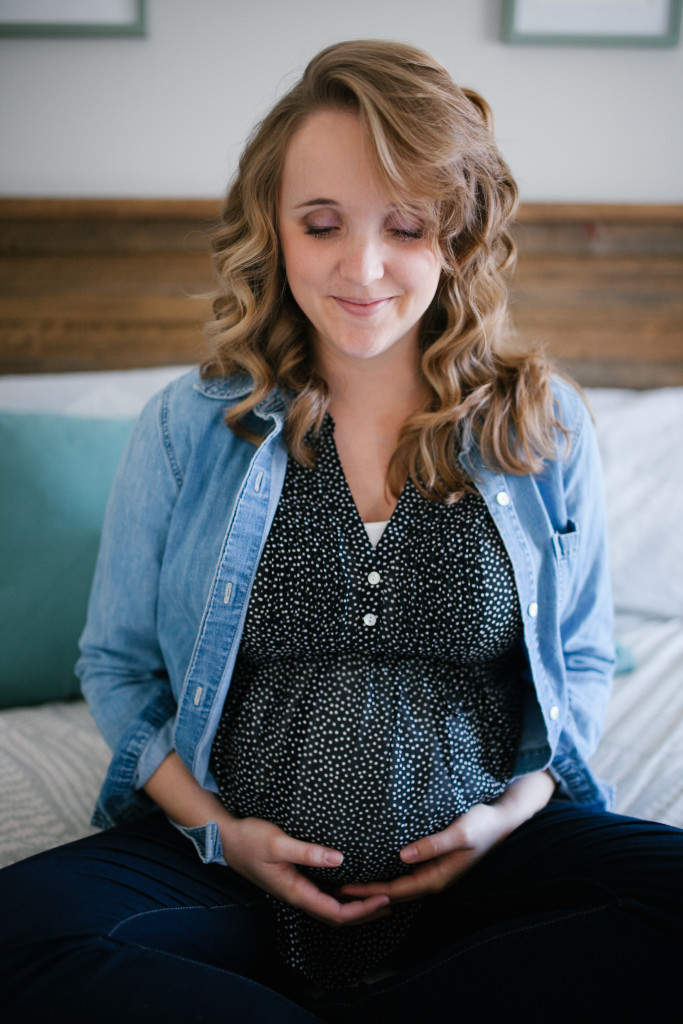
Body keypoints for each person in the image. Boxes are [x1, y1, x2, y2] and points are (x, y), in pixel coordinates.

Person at [1, 39, 681, 1023]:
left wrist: (507, 816)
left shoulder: (539, 424)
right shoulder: (190, 426)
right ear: (272, 230)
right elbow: (115, 666)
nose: (362, 267)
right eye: (321, 224)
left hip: (482, 885)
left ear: (454, 234)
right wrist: (222, 834)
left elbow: (576, 657)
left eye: (404, 225)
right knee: (21, 929)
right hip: (232, 878)